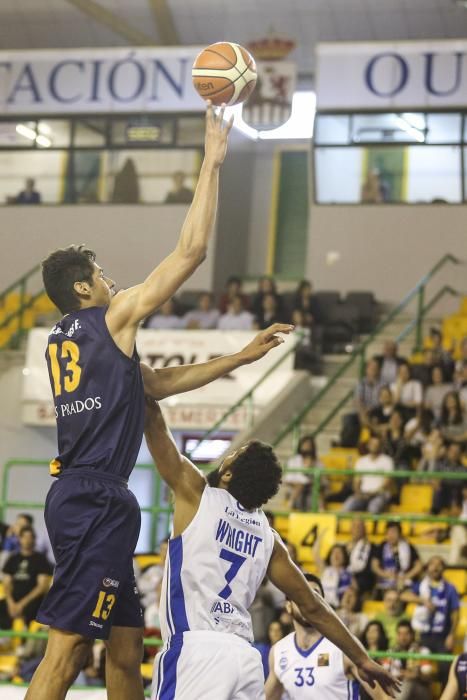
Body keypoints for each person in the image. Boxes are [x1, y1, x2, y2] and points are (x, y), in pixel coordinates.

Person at [25, 103, 236, 700]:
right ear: (84, 288)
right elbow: (189, 253)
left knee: (124, 648)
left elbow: (157, 385)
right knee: (66, 654)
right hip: (94, 497)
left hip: (88, 494)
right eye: (103, 273)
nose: (114, 280)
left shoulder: (62, 340)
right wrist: (211, 163)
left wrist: (240, 358)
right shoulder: (111, 318)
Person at [143, 400, 399, 700]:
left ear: (228, 474)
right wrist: (361, 658)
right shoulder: (268, 536)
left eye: (233, 455)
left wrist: (137, 377)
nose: (227, 457)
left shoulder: (196, 493)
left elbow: (155, 423)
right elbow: (314, 606)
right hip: (244, 658)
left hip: (197, 648)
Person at [265, 574, 388, 700]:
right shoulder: (278, 652)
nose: (308, 601)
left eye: (315, 595)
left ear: (323, 604)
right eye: (300, 596)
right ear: (289, 606)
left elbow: (384, 697)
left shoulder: (345, 646)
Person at [402, 556, 459, 671]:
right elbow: (403, 595)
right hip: (422, 635)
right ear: (427, 568)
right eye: (432, 564)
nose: (435, 568)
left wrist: (452, 635)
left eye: (439, 565)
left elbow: (455, 613)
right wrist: (422, 600)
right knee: (420, 667)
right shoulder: (421, 585)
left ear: (443, 568)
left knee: (445, 667)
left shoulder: (450, 588)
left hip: (442, 636)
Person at [0, 526, 53, 629]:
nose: (27, 540)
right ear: (19, 539)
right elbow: (6, 583)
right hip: (13, 600)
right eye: (24, 537)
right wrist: (11, 603)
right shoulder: (13, 558)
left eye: (30, 537)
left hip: (33, 601)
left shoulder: (41, 560)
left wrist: (21, 604)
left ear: (34, 539)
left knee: (33, 609)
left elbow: (41, 587)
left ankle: (23, 640)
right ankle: (5, 639)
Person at [343, 435, 394, 514]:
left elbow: (387, 481)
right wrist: (358, 493)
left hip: (380, 494)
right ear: (368, 446)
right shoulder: (361, 461)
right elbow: (357, 480)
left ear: (380, 446)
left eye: (377, 444)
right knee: (348, 506)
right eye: (372, 444)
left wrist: (374, 492)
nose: (375, 446)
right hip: (363, 493)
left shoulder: (387, 461)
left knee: (373, 508)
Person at [383, 621, 433, 700]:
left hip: (419, 688)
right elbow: (383, 673)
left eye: (406, 634)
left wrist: (416, 675)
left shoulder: (423, 651)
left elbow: (428, 677)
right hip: (395, 686)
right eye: (400, 634)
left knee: (408, 683)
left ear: (412, 635)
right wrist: (393, 677)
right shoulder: (390, 652)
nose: (403, 638)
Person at [371, 522, 423, 595]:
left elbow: (418, 565)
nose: (391, 535)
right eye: (389, 532)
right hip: (385, 581)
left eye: (394, 532)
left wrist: (407, 576)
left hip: (403, 581)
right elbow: (374, 565)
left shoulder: (407, 547)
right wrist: (385, 574)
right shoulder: (382, 546)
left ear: (400, 534)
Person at [346, 519, 375, 595]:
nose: (357, 529)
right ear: (350, 529)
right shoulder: (344, 547)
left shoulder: (371, 547)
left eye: (359, 526)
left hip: (363, 580)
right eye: (355, 526)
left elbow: (371, 569)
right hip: (344, 577)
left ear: (364, 529)